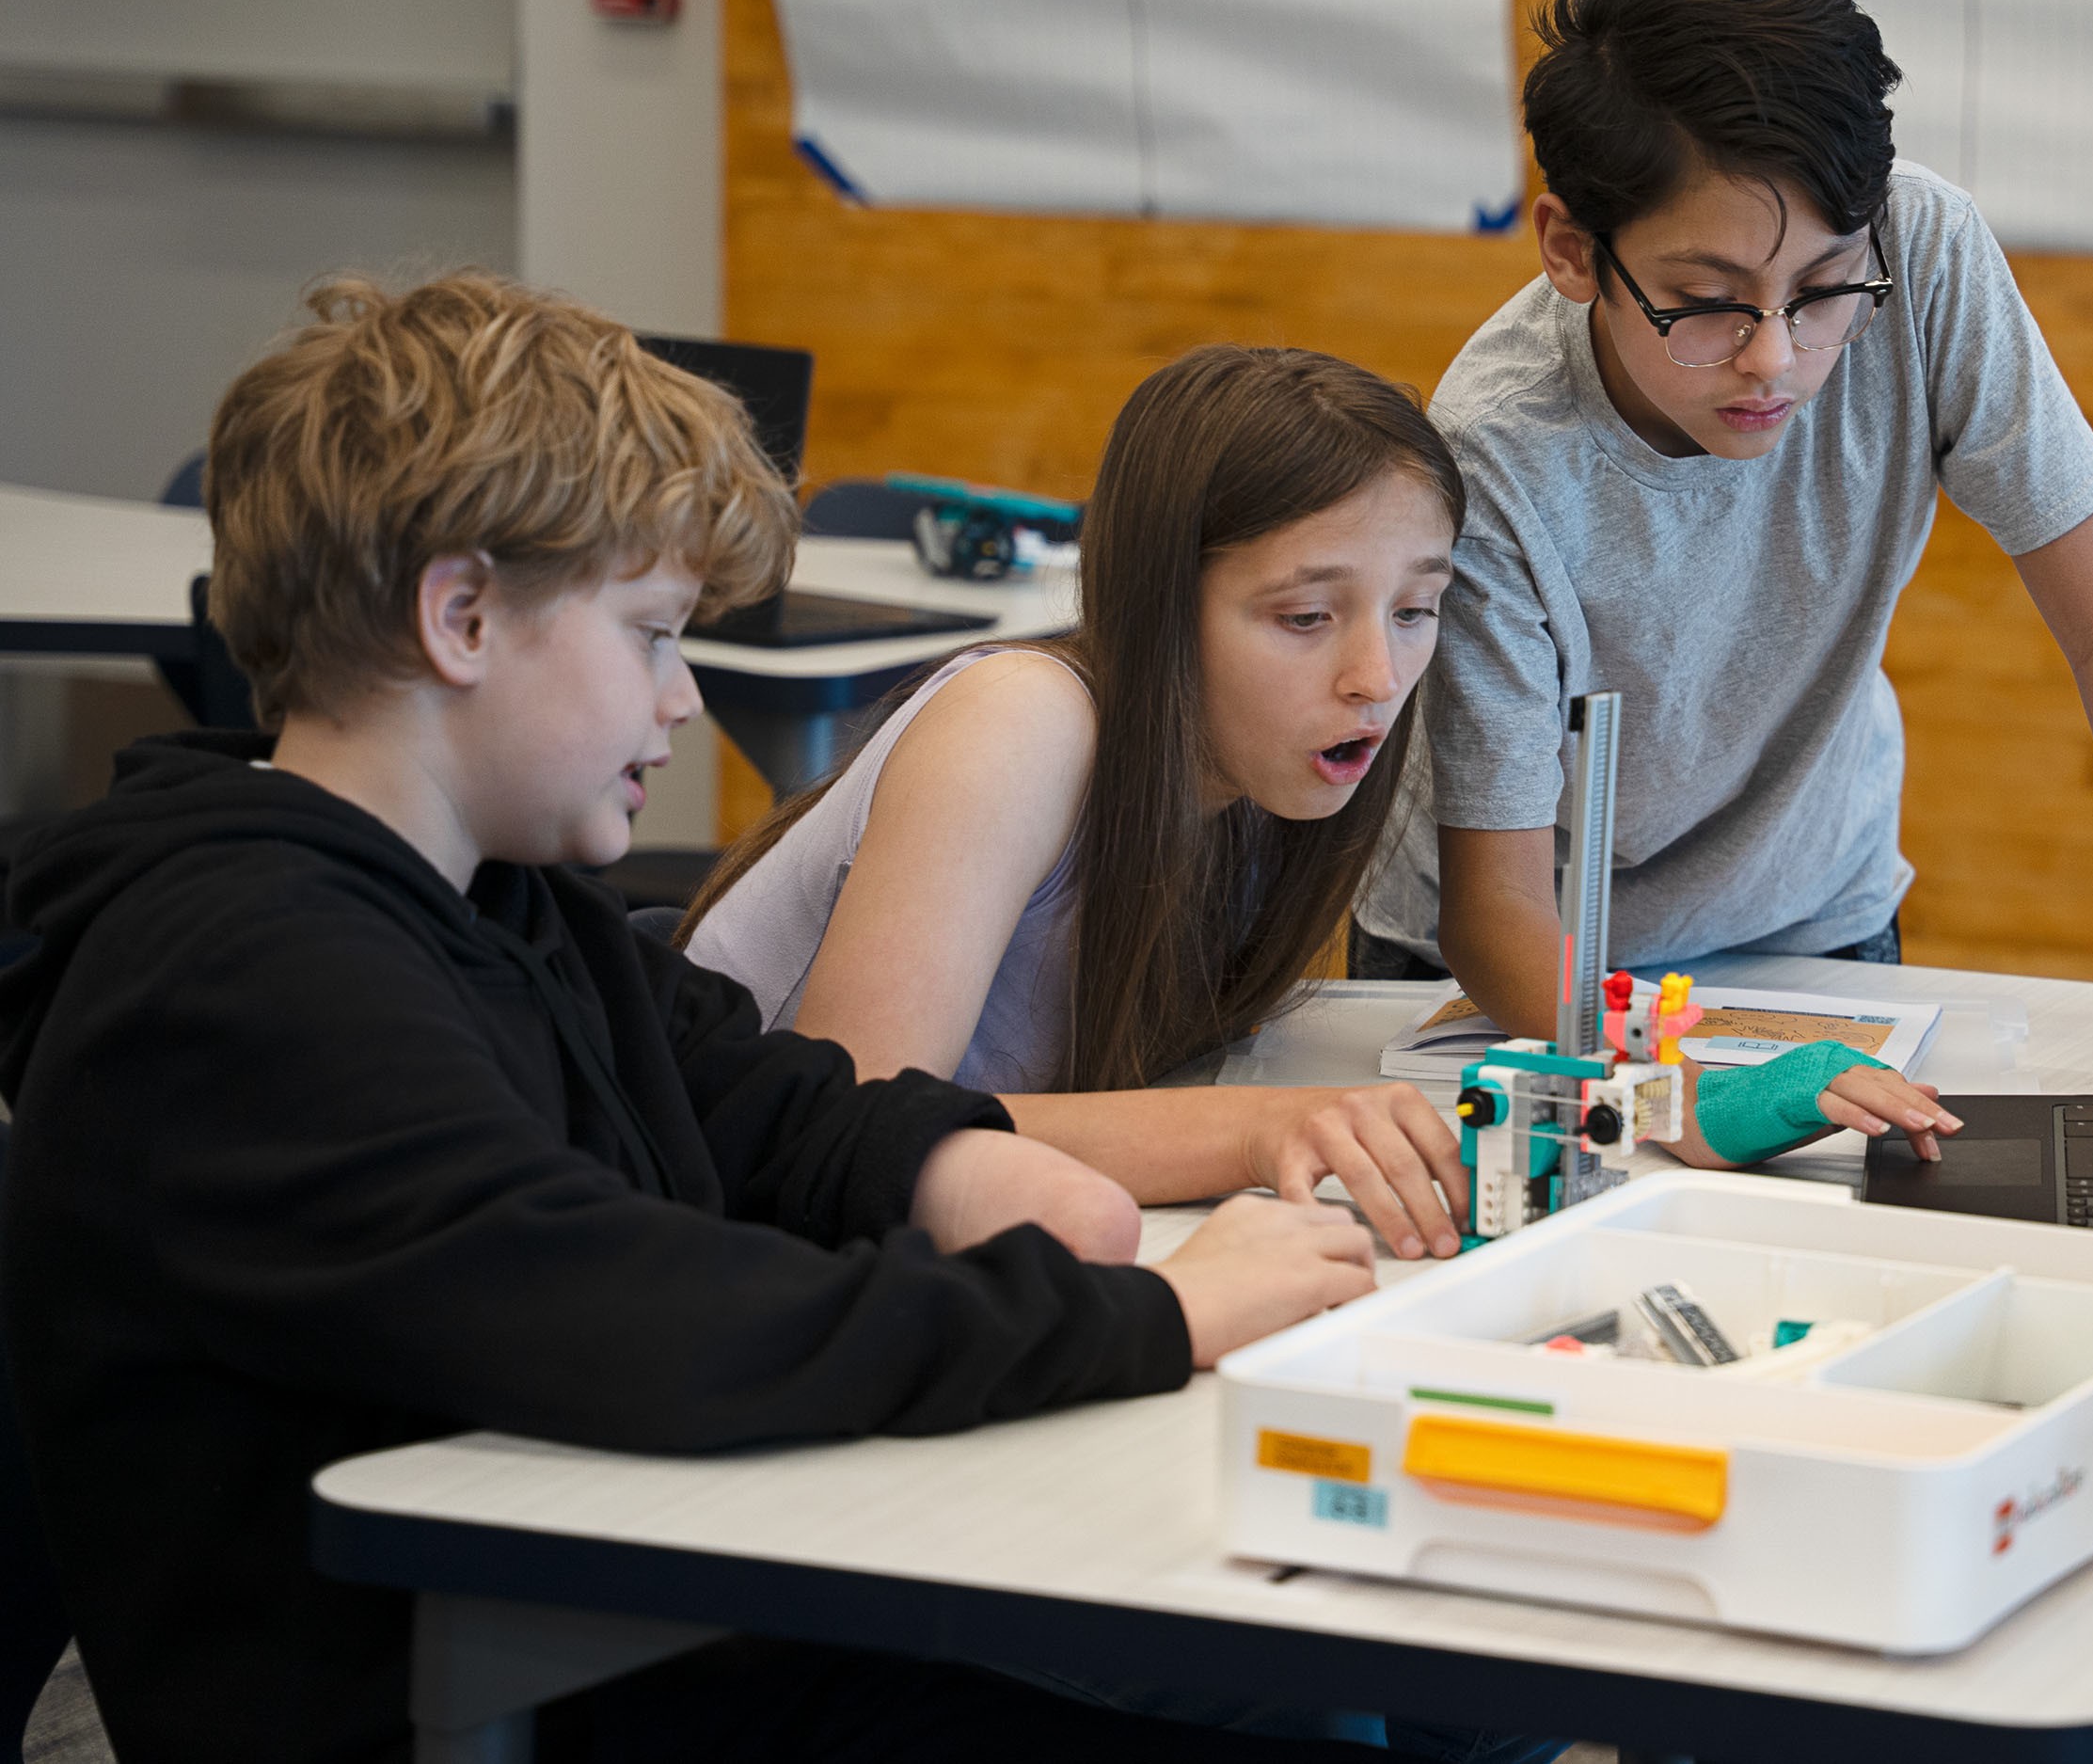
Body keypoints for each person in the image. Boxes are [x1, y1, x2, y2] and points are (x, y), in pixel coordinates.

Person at [0, 276, 1379, 1764]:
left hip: (638, 1632)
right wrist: (1150, 1318)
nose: (680, 701)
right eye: (654, 635)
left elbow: (759, 1092)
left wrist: (942, 1158)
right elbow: (633, 1315)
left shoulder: (503, 894)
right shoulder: (244, 972)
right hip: (471, 1701)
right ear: (461, 616)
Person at [1352, 0, 2093, 1122]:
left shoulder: (1921, 252)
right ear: (1570, 248)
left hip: (1806, 922)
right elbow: (1497, 910)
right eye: (1706, 303)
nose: (1773, 357)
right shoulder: (1494, 453)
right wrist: (1700, 1093)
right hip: (1522, 967)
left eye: (1823, 291)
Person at [684, 342, 1957, 1222]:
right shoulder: (1021, 721)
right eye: (1304, 616)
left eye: (1416, 609)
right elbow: (854, 1129)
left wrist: (1666, 1101)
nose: (1375, 676)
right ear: (1160, 602)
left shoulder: (1270, 782)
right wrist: (1266, 1130)